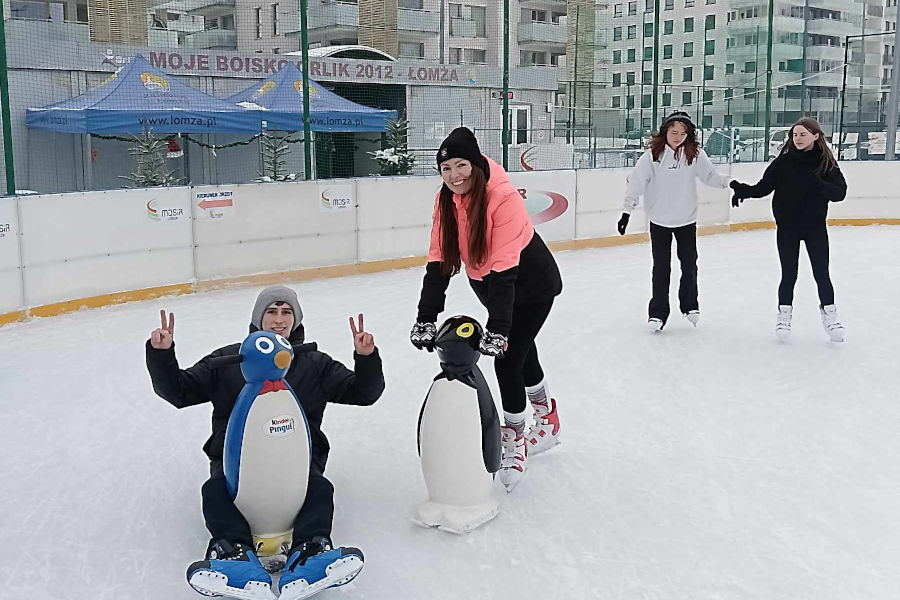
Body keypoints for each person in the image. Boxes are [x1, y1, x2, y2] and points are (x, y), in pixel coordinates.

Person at [145, 285, 385, 600]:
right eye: (271, 312)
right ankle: (234, 553)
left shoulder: (314, 363)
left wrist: (366, 358)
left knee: (319, 489)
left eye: (286, 312)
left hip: (297, 463)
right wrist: (162, 355)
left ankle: (310, 551)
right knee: (215, 491)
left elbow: (363, 393)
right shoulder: (229, 360)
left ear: (296, 319)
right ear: (259, 317)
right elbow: (179, 391)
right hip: (236, 465)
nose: (278, 320)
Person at [410, 127, 563, 492]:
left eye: (461, 165)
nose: (454, 175)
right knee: (523, 351)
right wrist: (425, 318)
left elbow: (506, 269)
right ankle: (547, 416)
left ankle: (515, 438)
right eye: (445, 168)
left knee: (507, 358)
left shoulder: (502, 197)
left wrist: (498, 329)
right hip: (487, 281)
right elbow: (439, 260)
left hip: (531, 281)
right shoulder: (445, 200)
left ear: (476, 164)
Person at [730, 117, 847, 342]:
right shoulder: (783, 163)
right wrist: (743, 190)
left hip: (815, 228)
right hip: (787, 228)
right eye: (794, 135)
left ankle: (830, 316)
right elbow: (763, 188)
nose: (798, 138)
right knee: (789, 274)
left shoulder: (825, 163)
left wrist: (819, 185)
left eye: (803, 134)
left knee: (821, 273)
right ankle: (784, 316)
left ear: (816, 136)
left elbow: (840, 193)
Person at [617, 111, 733, 332]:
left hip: (686, 220)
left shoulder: (695, 154)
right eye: (674, 132)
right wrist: (626, 212)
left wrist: (731, 183)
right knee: (661, 268)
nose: (678, 136)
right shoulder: (653, 155)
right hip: (659, 221)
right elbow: (636, 183)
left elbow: (711, 176)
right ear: (665, 132)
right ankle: (658, 314)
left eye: (683, 133)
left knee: (689, 265)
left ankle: (690, 305)